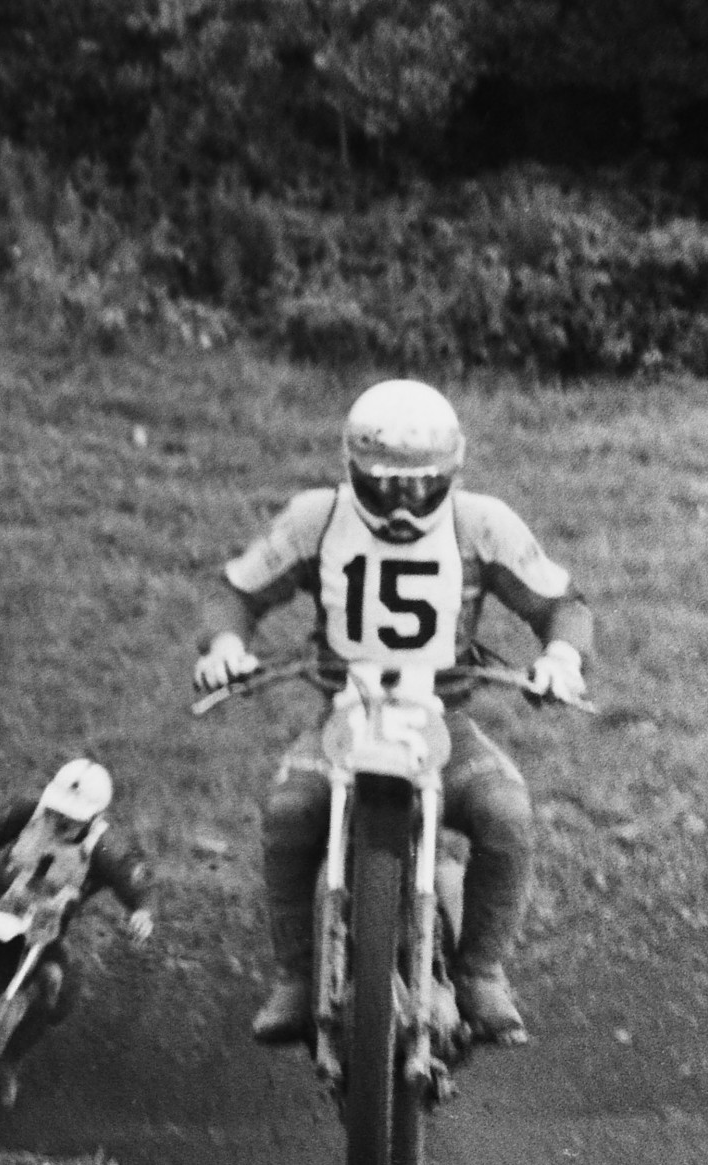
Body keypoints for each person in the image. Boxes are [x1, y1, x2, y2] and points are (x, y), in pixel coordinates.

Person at [191, 379, 593, 1048]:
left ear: (452, 471)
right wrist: (227, 645)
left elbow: (561, 604)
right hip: (344, 717)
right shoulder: (317, 518)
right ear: (352, 468)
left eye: (423, 485)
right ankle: (297, 975)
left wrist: (561, 658)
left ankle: (481, 971)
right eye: (384, 485)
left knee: (506, 813)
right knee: (289, 812)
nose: (404, 502)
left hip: (444, 720)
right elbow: (237, 589)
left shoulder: (481, 524)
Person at [0, 758, 156, 1067]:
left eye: (72, 816)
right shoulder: (28, 811)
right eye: (58, 810)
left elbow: (137, 885)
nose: (61, 819)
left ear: (94, 816)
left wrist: (142, 913)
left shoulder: (104, 848)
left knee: (58, 987)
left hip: (46, 929)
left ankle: (7, 1062)